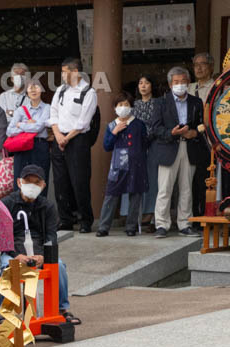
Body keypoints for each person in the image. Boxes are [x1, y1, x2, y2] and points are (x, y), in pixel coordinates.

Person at [1, 164, 79, 325]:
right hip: (13, 251)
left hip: (39, 251)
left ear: (43, 185)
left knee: (59, 267)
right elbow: (2, 236)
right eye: (28, 181)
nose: (32, 185)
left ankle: (61, 308)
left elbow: (51, 235)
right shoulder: (7, 203)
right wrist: (16, 255)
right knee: (6, 268)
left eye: (37, 182)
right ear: (19, 182)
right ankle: (4, 314)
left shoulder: (48, 206)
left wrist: (44, 256)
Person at [153, 66, 206, 238]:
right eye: (176, 82)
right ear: (170, 84)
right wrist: (171, 133)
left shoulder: (196, 102)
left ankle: (185, 223)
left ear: (188, 83)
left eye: (183, 81)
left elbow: (201, 124)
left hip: (189, 147)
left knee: (186, 188)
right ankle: (161, 224)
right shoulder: (161, 102)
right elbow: (156, 128)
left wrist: (194, 133)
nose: (180, 85)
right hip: (169, 147)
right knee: (165, 188)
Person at [49, 56, 98, 233]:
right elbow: (53, 113)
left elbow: (84, 122)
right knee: (60, 181)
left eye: (64, 72)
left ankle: (85, 219)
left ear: (75, 72)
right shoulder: (61, 90)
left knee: (80, 181)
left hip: (77, 140)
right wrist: (58, 135)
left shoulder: (88, 92)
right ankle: (65, 219)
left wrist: (67, 138)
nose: (62, 76)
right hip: (59, 138)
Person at [97, 92, 148, 237]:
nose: (123, 108)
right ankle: (103, 227)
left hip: (137, 164)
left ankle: (131, 226)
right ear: (115, 108)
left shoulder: (138, 124)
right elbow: (106, 146)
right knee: (111, 194)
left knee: (135, 194)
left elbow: (145, 143)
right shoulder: (112, 125)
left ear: (131, 107)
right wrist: (114, 132)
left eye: (126, 105)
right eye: (120, 105)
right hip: (118, 165)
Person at [7, 79, 51, 187]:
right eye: (30, 87)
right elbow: (9, 131)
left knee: (40, 181)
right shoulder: (21, 110)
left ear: (42, 90)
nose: (33, 90)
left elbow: (38, 127)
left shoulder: (47, 108)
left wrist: (21, 124)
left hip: (40, 146)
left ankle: (40, 204)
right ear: (26, 91)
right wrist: (27, 123)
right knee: (21, 181)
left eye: (36, 87)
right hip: (22, 147)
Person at [133, 74, 163, 230]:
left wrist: (147, 137)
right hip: (138, 147)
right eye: (140, 82)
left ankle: (150, 213)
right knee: (138, 180)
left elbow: (157, 124)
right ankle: (135, 214)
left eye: (146, 82)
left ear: (152, 85)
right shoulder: (134, 105)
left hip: (154, 145)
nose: (143, 85)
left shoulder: (159, 103)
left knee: (152, 180)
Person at [189, 53, 216, 219]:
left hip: (208, 142)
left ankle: (205, 215)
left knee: (204, 181)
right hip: (189, 140)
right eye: (195, 64)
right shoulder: (189, 88)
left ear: (211, 67)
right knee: (188, 183)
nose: (198, 68)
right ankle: (190, 216)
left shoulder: (217, 88)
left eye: (203, 64)